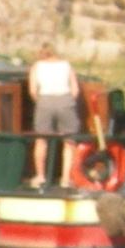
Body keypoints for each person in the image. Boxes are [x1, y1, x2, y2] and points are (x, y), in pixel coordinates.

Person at [26, 43, 80, 187]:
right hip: (65, 100)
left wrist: (40, 102)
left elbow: (32, 90)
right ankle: (66, 179)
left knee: (41, 140)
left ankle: (40, 176)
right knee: (69, 141)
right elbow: (75, 90)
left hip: (44, 101)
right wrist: (68, 102)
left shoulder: (37, 66)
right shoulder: (66, 65)